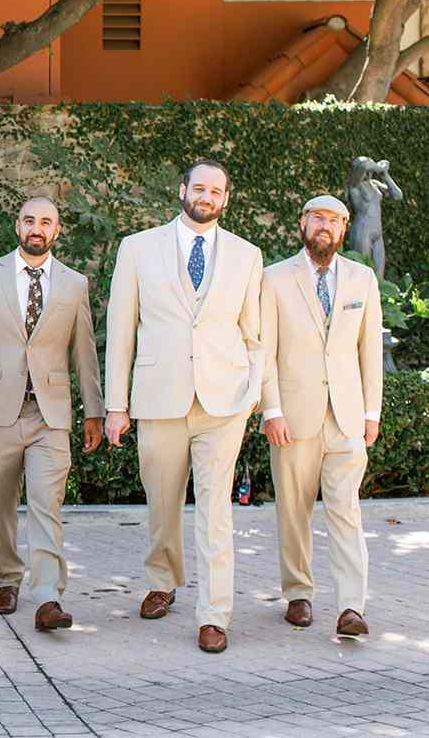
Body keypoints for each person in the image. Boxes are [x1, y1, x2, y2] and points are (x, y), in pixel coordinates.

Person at [104, 159, 263, 654]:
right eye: (200, 188)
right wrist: (116, 404)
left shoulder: (247, 255)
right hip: (158, 398)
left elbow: (254, 335)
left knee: (215, 510)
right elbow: (120, 331)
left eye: (217, 191)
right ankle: (163, 579)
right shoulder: (137, 248)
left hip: (223, 402)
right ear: (183, 190)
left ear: (226, 199)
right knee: (162, 501)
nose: (207, 197)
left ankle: (214, 613)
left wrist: (252, 391)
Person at [0, 196, 103, 631]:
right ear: (17, 226)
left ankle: (47, 597)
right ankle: (6, 578)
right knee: (0, 502)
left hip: (50, 414)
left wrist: (93, 411)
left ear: (57, 231)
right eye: (30, 220)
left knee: (46, 503)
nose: (37, 228)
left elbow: (85, 353)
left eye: (47, 222)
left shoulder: (75, 284)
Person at [260, 194, 383, 638]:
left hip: (347, 418)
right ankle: (298, 594)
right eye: (317, 218)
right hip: (292, 418)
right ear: (302, 224)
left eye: (334, 220)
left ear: (344, 228)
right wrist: (270, 409)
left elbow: (369, 351)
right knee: (293, 511)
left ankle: (351, 606)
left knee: (346, 511)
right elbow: (265, 352)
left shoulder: (362, 279)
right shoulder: (273, 279)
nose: (325, 226)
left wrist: (372, 412)